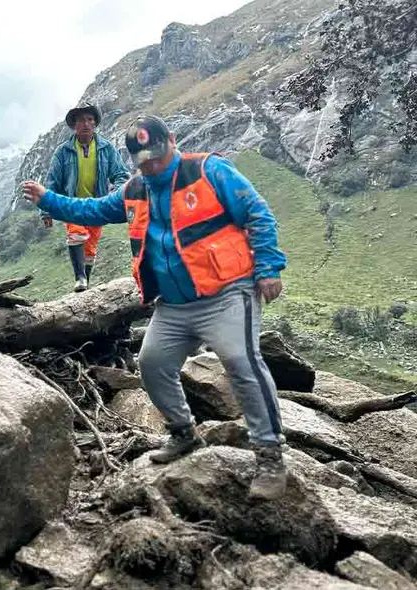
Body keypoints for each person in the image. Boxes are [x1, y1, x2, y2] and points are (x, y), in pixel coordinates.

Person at [22, 115, 289, 500]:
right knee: (151, 364)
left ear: (172, 142)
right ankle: (184, 434)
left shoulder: (209, 171)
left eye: (157, 157)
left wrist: (268, 267)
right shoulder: (135, 190)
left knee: (240, 360)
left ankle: (269, 455)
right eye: (143, 160)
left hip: (228, 292)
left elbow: (257, 214)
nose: (152, 166)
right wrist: (48, 199)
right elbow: (92, 211)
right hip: (175, 305)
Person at [41, 103, 130, 292]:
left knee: (90, 246)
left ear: (95, 123)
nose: (86, 124)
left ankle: (85, 283)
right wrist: (46, 209)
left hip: (97, 205)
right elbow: (52, 182)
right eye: (81, 120)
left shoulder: (106, 148)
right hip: (71, 204)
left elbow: (121, 174)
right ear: (74, 125)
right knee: (77, 234)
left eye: (90, 119)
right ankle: (79, 277)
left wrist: (118, 193)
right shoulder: (63, 151)